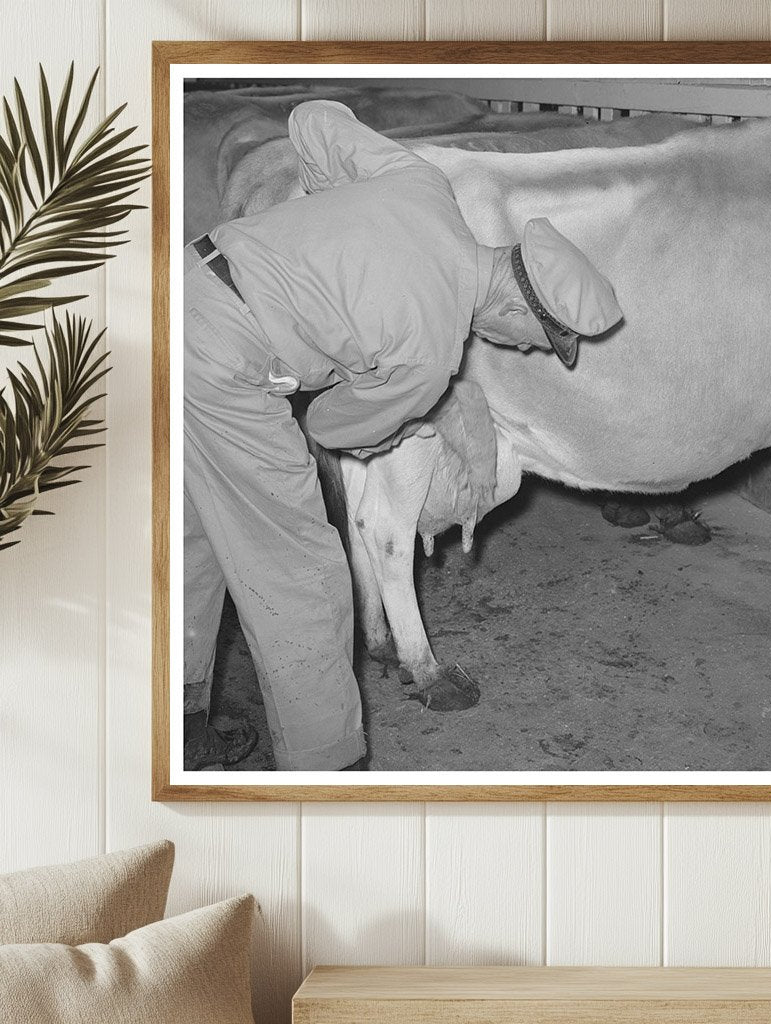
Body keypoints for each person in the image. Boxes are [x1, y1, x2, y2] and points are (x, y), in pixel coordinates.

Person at [183, 100, 623, 771]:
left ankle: (180, 720)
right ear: (513, 304)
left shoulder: (425, 191)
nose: (532, 353)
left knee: (196, 535)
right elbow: (329, 427)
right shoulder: (429, 352)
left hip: (175, 283)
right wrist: (369, 382)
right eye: (543, 341)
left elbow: (312, 120)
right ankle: (328, 773)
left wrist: (341, 242)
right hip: (222, 364)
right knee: (303, 574)